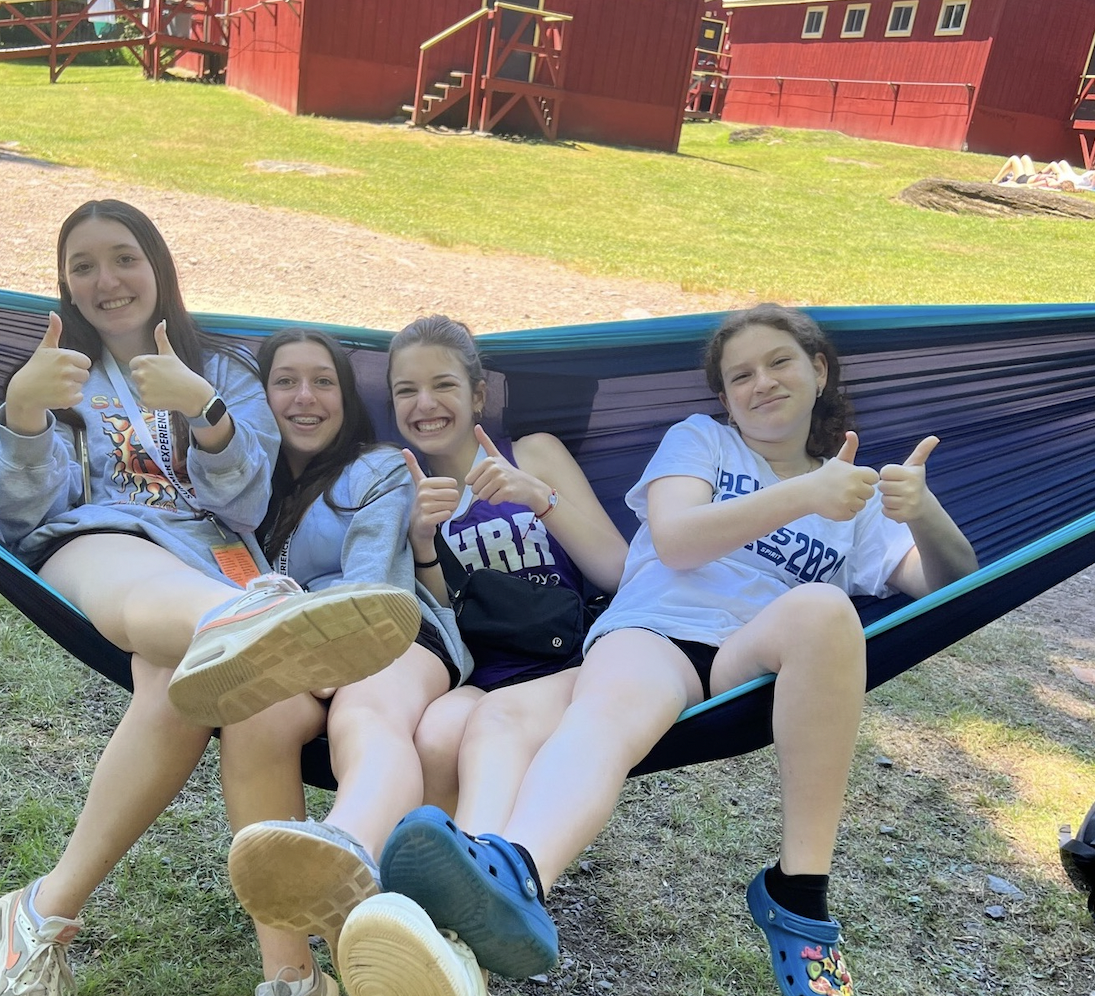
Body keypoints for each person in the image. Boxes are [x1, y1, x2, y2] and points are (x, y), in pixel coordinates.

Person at [366, 303, 978, 996]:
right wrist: (806, 494)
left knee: (825, 609)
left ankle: (798, 892)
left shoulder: (853, 498)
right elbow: (679, 540)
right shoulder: (701, 443)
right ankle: (468, 917)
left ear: (818, 369)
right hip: (655, 632)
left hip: (746, 655)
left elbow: (954, 587)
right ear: (723, 397)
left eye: (779, 363)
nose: (761, 383)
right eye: (740, 374)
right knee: (503, 720)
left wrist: (922, 509)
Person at [0, 200, 414, 996]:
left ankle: (58, 916)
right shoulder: (55, 370)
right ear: (67, 286)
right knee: (207, 626)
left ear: (159, 266)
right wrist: (25, 411)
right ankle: (255, 624)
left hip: (216, 560)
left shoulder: (222, 368)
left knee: (239, 702)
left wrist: (202, 410)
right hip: (98, 546)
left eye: (124, 257)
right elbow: (21, 515)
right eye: (84, 265)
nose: (106, 279)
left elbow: (247, 502)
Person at [334, 314, 628, 996]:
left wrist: (540, 500)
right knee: (437, 732)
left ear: (478, 395)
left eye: (442, 385)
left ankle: (453, 938)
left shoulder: (534, 453)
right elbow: (451, 624)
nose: (424, 404)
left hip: (570, 666)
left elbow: (615, 569)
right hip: (485, 672)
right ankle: (421, 922)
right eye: (406, 391)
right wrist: (424, 542)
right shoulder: (407, 488)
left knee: (483, 728)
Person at [219, 328, 470, 996]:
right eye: (285, 381)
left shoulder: (379, 467)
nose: (305, 397)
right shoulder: (241, 484)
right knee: (254, 719)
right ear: (257, 395)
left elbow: (372, 582)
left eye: (323, 381)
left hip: (390, 635)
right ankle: (292, 979)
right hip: (291, 654)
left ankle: (347, 847)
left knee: (364, 712)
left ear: (345, 398)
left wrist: (327, 655)